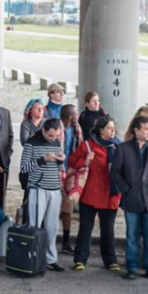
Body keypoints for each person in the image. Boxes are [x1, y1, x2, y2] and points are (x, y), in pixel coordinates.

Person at [109, 114, 148, 281]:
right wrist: (125, 189)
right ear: (136, 130)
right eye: (146, 129)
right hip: (131, 198)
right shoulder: (123, 148)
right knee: (132, 236)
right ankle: (131, 267)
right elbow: (115, 172)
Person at [66, 116, 123, 272]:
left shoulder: (119, 146)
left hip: (111, 194)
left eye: (114, 128)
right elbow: (71, 161)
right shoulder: (88, 145)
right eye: (109, 128)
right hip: (90, 193)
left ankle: (110, 260)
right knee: (85, 228)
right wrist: (85, 161)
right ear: (101, 130)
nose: (113, 131)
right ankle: (80, 259)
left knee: (108, 229)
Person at [21, 118, 66, 272]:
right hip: (37, 188)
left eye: (56, 136)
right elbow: (24, 168)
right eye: (51, 136)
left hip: (54, 188)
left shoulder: (57, 142)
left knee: (52, 227)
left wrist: (61, 161)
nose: (54, 138)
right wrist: (43, 160)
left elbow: (59, 167)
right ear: (43, 131)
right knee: (34, 225)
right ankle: (30, 257)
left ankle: (50, 259)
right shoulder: (30, 143)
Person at [58, 104, 82, 254]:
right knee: (54, 209)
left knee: (68, 209)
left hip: (70, 174)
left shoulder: (76, 130)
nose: (78, 116)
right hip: (55, 173)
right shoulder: (55, 128)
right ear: (70, 116)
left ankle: (66, 241)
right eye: (76, 113)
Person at [18, 98, 45, 191]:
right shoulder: (26, 124)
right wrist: (39, 135)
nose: (40, 110)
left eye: (42, 108)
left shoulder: (47, 123)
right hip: (30, 157)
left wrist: (33, 137)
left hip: (44, 156)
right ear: (30, 111)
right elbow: (24, 142)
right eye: (37, 108)